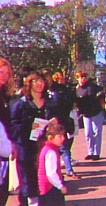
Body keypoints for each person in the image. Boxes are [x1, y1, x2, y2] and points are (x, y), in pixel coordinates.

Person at [10, 72, 56, 206]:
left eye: (41, 81)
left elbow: (59, 121)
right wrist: (30, 126)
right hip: (26, 146)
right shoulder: (21, 103)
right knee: (27, 175)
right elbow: (13, 125)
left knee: (44, 174)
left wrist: (54, 124)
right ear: (29, 84)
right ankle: (28, 201)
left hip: (45, 146)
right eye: (35, 81)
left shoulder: (49, 103)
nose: (39, 83)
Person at [75, 71, 106, 161]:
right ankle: (90, 152)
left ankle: (96, 153)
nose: (83, 79)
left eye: (85, 77)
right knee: (88, 133)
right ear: (77, 78)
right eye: (81, 77)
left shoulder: (92, 86)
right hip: (86, 114)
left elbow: (101, 92)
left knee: (97, 132)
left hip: (96, 112)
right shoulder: (77, 89)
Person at [38, 122, 67, 206]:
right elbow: (51, 174)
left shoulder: (48, 149)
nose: (63, 138)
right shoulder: (51, 152)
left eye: (63, 135)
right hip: (50, 188)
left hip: (46, 188)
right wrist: (60, 186)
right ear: (51, 138)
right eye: (59, 136)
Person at [0, 57, 15, 206]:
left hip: (4, 148)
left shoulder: (6, 95)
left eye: (7, 72)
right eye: (1, 72)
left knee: (3, 188)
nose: (4, 75)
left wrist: (12, 144)